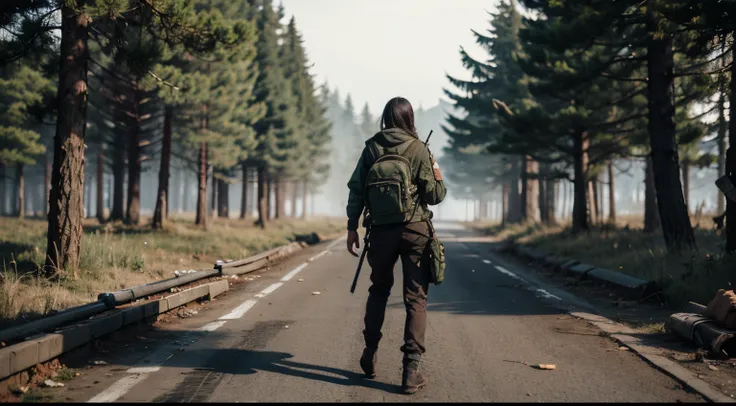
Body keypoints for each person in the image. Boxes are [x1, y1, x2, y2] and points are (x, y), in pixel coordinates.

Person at [345, 96, 447, 394]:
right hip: (415, 231)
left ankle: (370, 353)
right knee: (415, 298)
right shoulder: (419, 148)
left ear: (386, 118)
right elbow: (435, 196)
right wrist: (435, 169)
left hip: (380, 232)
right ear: (409, 118)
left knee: (378, 290)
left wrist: (352, 227)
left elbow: (356, 190)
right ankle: (410, 372)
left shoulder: (371, 148)